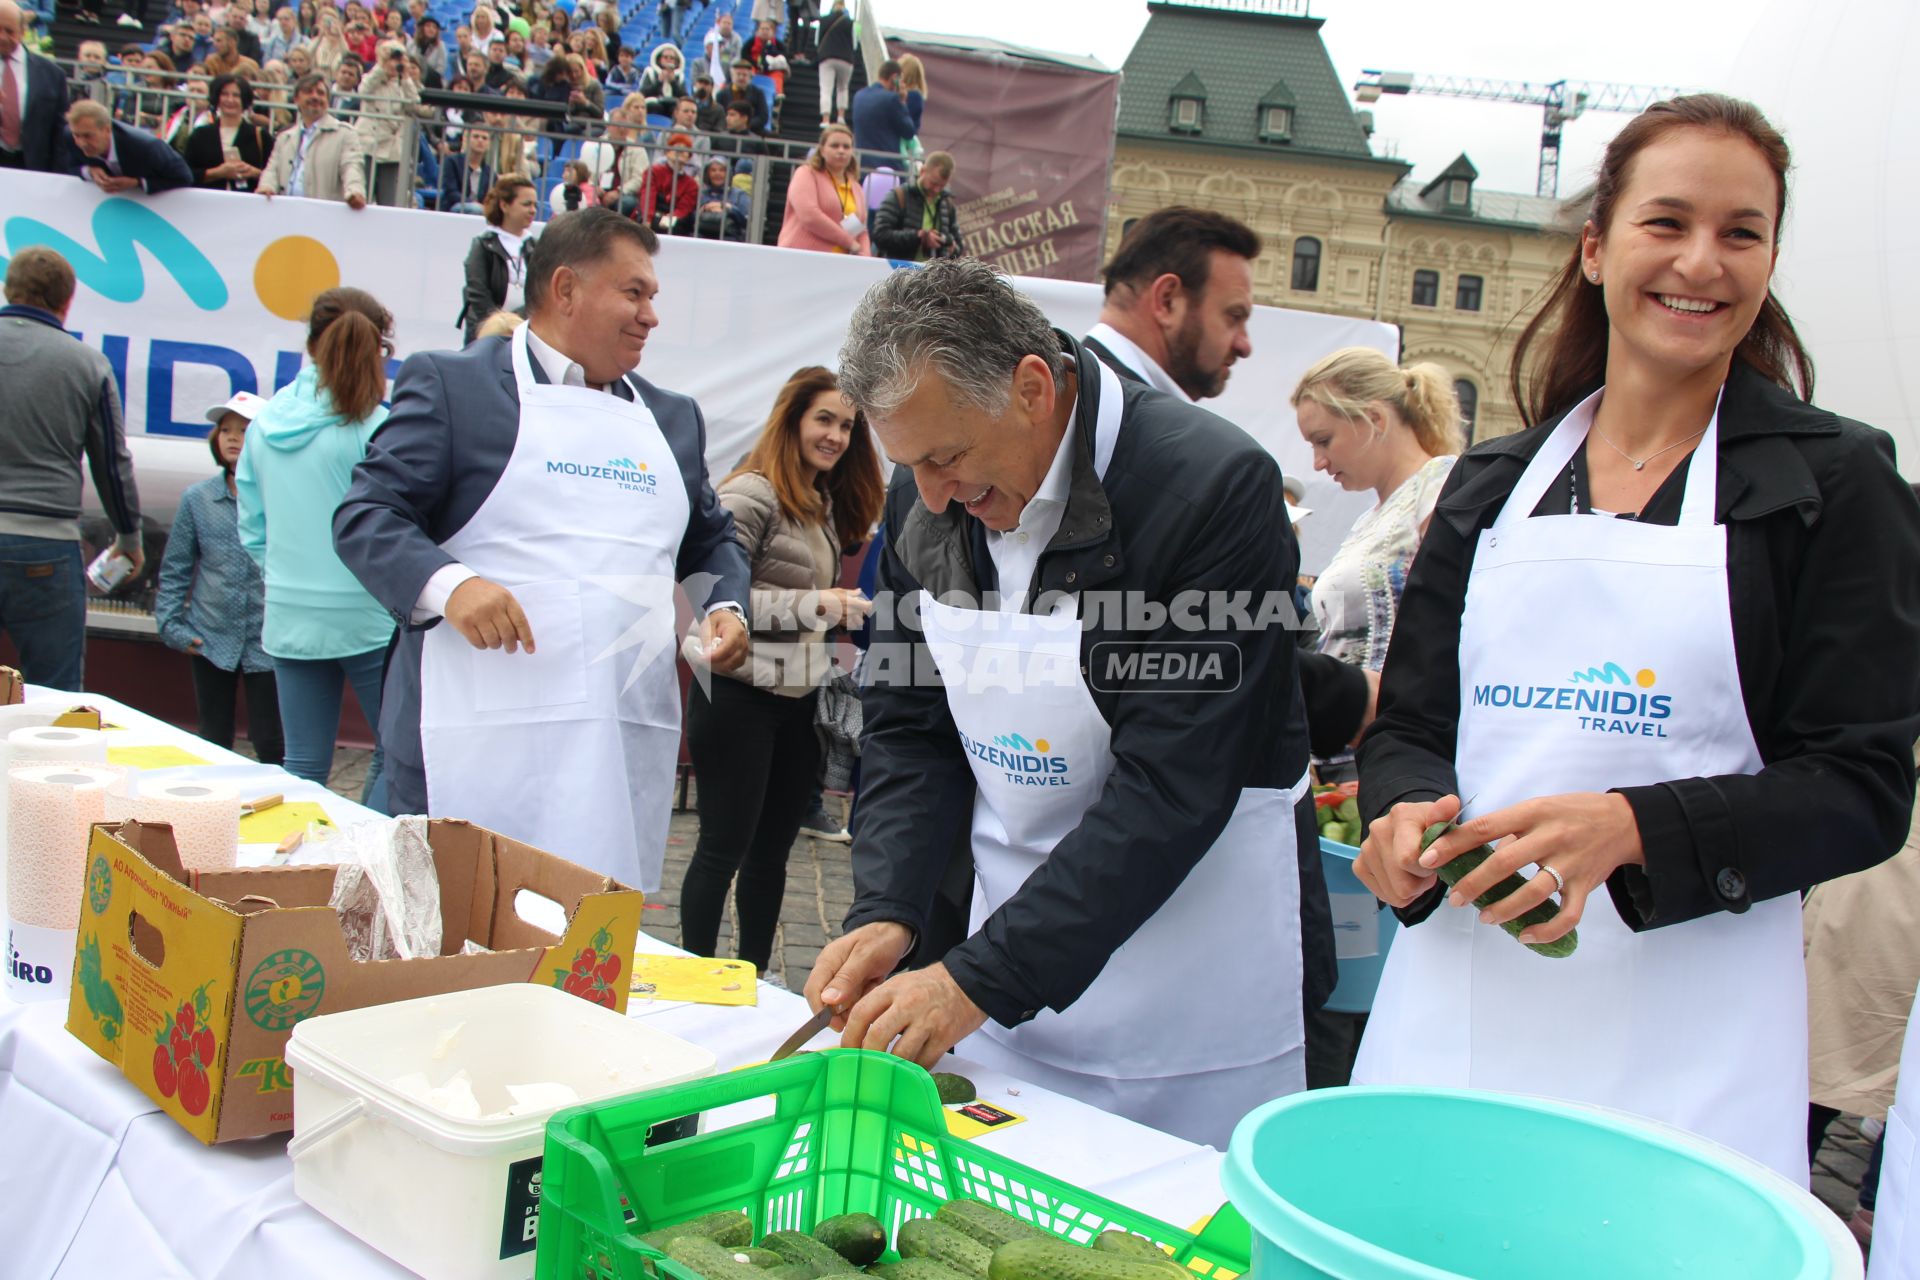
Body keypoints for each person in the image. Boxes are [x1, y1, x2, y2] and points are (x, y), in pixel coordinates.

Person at [1349, 94, 1920, 1185]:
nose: (1702, 262)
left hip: (1690, 1040)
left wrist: (1633, 826)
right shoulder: (1491, 484)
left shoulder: (1836, 485)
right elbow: (1414, 723)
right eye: (1668, 223)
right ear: (1599, 248)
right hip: (1456, 1017)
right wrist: (1399, 815)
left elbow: (1862, 786)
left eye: (1741, 233)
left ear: (1768, 261)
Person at [801, 258, 1313, 1150]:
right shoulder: (923, 503)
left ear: (1033, 387)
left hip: (1191, 984)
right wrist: (891, 906)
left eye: (947, 458)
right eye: (909, 464)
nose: (929, 494)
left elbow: (1173, 787)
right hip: (1008, 980)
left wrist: (974, 980)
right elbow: (912, 732)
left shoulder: (1212, 488)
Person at [333, 210, 751, 891]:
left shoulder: (672, 417)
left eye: (653, 297)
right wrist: (451, 585)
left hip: (612, 750)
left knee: (587, 949)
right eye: (635, 293)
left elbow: (710, 537)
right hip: (470, 737)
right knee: (447, 945)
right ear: (565, 289)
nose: (651, 316)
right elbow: (367, 514)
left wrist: (724, 604)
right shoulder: (454, 385)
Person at [681, 366, 884, 969]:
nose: (837, 435)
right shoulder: (751, 492)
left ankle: (751, 979)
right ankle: (696, 976)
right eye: (824, 419)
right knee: (723, 848)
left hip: (797, 704)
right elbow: (712, 595)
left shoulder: (818, 501)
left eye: (847, 425)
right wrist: (820, 604)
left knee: (772, 854)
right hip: (739, 697)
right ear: (791, 420)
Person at [236, 287, 397, 813]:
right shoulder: (377, 427)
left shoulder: (264, 424)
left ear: (310, 345)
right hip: (368, 615)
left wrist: (286, 576)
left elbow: (253, 528)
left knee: (303, 765)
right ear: (379, 348)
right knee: (393, 754)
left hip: (289, 613)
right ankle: (366, 867)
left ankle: (301, 871)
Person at [0, 247, 141, 692]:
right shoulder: (87, 365)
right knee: (53, 697)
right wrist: (129, 537)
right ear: (67, 302)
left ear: (8, 288)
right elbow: (111, 463)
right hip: (45, 544)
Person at [1293, 349, 1462, 678]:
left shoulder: (1439, 488)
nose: (1318, 462)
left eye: (1324, 441)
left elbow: (1448, 625)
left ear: (1375, 420)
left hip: (1392, 720)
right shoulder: (1371, 518)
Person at [156, 392, 284, 765]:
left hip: (268, 641)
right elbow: (176, 566)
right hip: (210, 636)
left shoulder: (280, 498)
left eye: (244, 430)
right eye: (225, 429)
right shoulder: (197, 499)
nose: (232, 437)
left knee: (271, 741)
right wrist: (171, 626)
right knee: (212, 738)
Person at [257, 72, 368, 207]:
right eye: (309, 92)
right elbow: (271, 170)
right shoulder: (284, 138)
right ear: (296, 99)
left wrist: (354, 191)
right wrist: (266, 187)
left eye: (320, 93)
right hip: (285, 214)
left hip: (323, 216)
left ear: (327, 100)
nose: (315, 96)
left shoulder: (345, 134)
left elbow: (352, 167)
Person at [458, 174, 537, 343]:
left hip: (522, 331)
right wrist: (497, 327)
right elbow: (477, 292)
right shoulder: (483, 244)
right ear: (504, 205)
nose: (533, 210)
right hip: (485, 333)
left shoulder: (535, 246)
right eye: (526, 204)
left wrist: (517, 324)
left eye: (534, 205)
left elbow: (538, 293)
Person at [62, 98, 192, 193]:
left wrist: (137, 182)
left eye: (88, 136)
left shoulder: (146, 147)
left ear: (107, 129)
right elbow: (69, 167)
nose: (82, 143)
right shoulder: (69, 136)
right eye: (77, 135)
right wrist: (89, 171)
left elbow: (184, 177)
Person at [776, 122, 867, 255]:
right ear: (822, 150)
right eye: (835, 146)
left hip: (840, 264)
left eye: (846, 147)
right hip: (801, 258)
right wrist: (849, 242)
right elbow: (810, 216)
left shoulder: (856, 188)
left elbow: (859, 230)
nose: (841, 151)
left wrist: (865, 255)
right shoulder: (806, 174)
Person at [355, 40, 427, 205]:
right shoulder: (371, 79)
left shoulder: (404, 84)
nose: (395, 63)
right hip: (369, 143)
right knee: (363, 195)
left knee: (389, 200)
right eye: (393, 58)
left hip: (392, 148)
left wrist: (406, 77)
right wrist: (382, 67)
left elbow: (414, 104)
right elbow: (363, 91)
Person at [183, 71, 270, 190]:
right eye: (224, 94)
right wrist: (217, 173)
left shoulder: (260, 136)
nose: (230, 100)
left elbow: (275, 175)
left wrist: (255, 173)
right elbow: (186, 173)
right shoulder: (200, 135)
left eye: (236, 95)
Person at [870, 149, 961, 261]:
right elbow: (880, 235)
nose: (937, 190)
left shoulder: (947, 204)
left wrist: (951, 247)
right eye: (933, 183)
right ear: (922, 171)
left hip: (934, 274)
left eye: (942, 186)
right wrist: (919, 236)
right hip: (900, 272)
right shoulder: (899, 196)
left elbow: (959, 244)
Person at [849, 57, 915, 171]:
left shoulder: (859, 95)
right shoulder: (892, 99)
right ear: (895, 77)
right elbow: (908, 131)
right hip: (887, 165)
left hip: (861, 163)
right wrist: (903, 102)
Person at [638, 134, 697, 234]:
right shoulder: (653, 172)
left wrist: (668, 219)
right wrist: (647, 219)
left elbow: (684, 208)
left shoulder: (692, 184)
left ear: (689, 157)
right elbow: (648, 196)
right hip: (652, 215)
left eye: (685, 149)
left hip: (674, 221)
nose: (680, 151)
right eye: (677, 147)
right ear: (667, 153)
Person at [440, 120, 494, 213]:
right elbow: (451, 192)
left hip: (480, 211)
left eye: (484, 138)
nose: (480, 140)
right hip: (453, 209)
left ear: (489, 144)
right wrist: (473, 203)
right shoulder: (452, 161)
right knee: (476, 209)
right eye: (476, 136)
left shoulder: (490, 173)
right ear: (466, 139)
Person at [691, 153, 746, 241]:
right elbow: (690, 217)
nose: (717, 174)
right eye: (713, 170)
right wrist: (705, 208)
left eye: (722, 170)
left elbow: (745, 220)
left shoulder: (739, 194)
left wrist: (729, 208)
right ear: (707, 174)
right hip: (702, 236)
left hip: (730, 237)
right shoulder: (701, 194)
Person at [813, 0, 850, 127]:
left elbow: (817, 41)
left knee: (826, 89)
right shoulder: (851, 23)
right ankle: (841, 117)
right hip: (846, 59)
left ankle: (826, 119)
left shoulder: (823, 20)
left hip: (827, 57)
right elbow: (855, 44)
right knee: (843, 88)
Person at [716, 56, 768, 136]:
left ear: (750, 76)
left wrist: (744, 125)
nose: (741, 77)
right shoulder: (722, 94)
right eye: (738, 74)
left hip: (752, 132)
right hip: (727, 131)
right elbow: (719, 116)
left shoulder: (758, 93)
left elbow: (763, 117)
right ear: (732, 75)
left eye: (744, 75)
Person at [743, 18, 785, 97]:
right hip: (754, 67)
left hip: (771, 68)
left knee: (778, 75)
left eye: (767, 29)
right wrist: (755, 65)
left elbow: (782, 56)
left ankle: (777, 94)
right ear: (758, 30)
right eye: (762, 29)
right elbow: (744, 54)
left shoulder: (778, 44)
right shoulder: (751, 42)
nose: (764, 31)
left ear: (772, 32)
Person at [702, 9, 739, 86]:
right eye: (724, 23)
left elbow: (737, 56)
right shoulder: (712, 36)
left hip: (729, 66)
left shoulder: (737, 39)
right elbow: (707, 54)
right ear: (720, 23)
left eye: (729, 23)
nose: (726, 25)